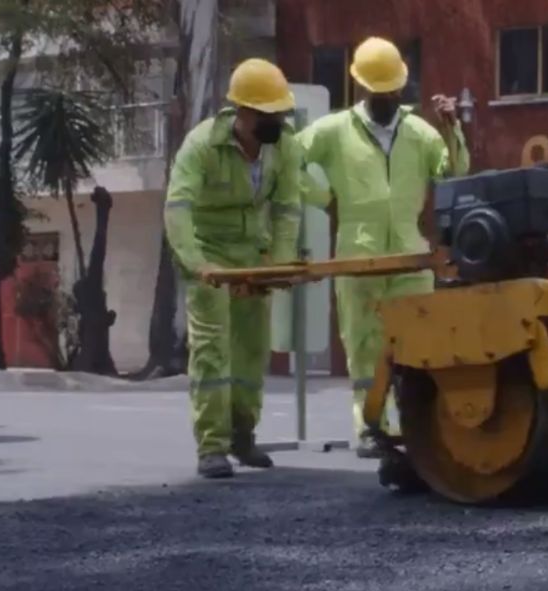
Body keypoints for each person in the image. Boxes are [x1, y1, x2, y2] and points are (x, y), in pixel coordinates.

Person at [297, 36, 471, 457]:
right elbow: (289, 160)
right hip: (359, 255)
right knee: (365, 346)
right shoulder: (335, 130)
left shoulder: (419, 132)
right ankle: (370, 426)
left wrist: (452, 129)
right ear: (362, 87)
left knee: (418, 343)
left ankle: (417, 424)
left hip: (411, 256)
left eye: (392, 92)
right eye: (380, 93)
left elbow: (453, 172)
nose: (387, 100)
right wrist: (321, 197)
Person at [164, 58, 303, 479]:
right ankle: (212, 446)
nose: (276, 121)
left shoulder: (285, 146)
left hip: (253, 258)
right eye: (267, 115)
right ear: (242, 112)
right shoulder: (202, 145)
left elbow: (287, 208)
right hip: (210, 257)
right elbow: (178, 208)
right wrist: (197, 263)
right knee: (212, 353)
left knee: (251, 350)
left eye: (280, 113)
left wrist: (279, 263)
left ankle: (243, 434)